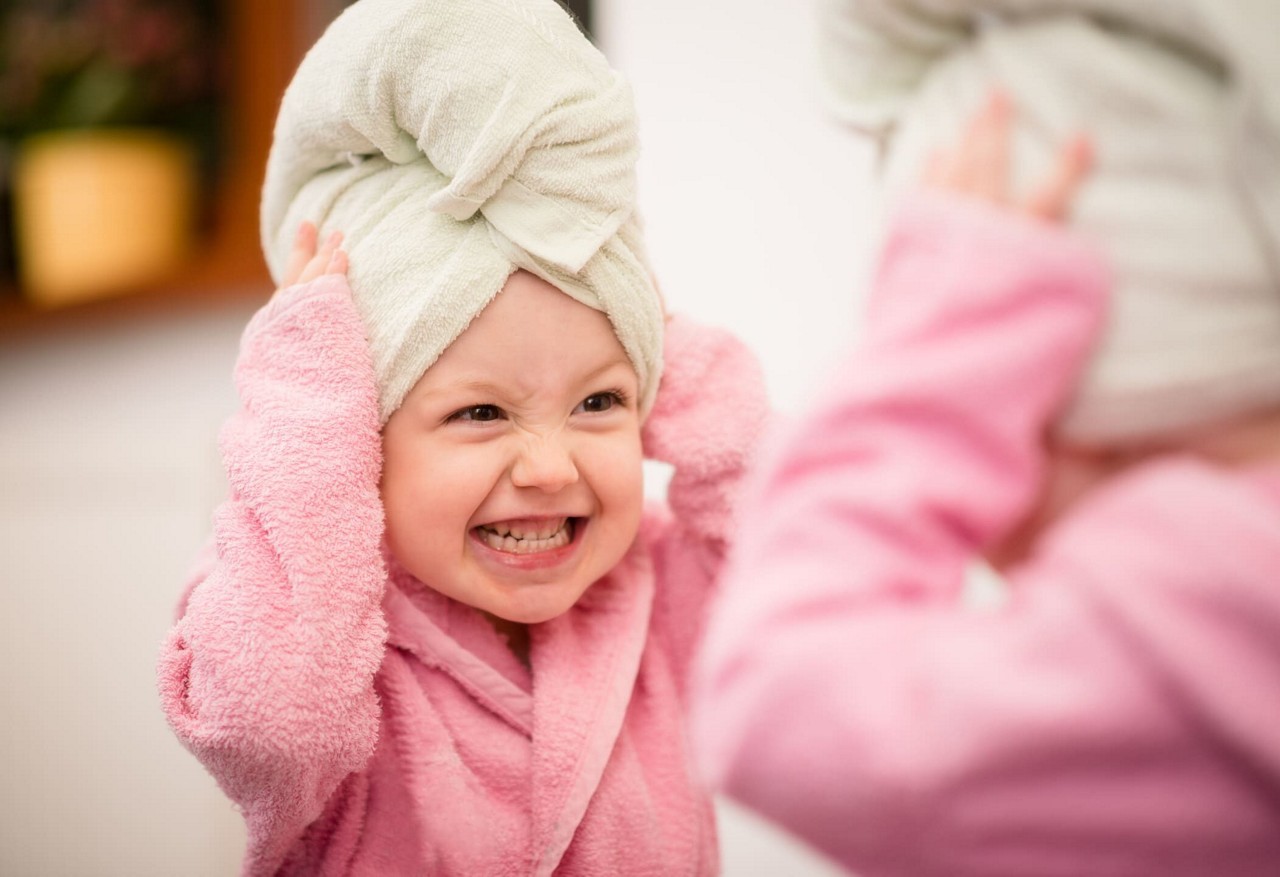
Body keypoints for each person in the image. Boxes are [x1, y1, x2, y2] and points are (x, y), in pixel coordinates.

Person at [155, 0, 767, 873]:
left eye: (599, 400)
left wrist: (671, 350)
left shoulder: (660, 592)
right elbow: (270, 727)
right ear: (356, 435)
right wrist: (303, 406)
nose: (550, 467)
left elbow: (808, 581)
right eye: (481, 413)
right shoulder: (320, 633)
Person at [691, 11, 1280, 874]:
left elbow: (773, 701)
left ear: (1077, 416)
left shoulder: (1202, 597)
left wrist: (944, 340)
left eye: (993, 403)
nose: (985, 540)